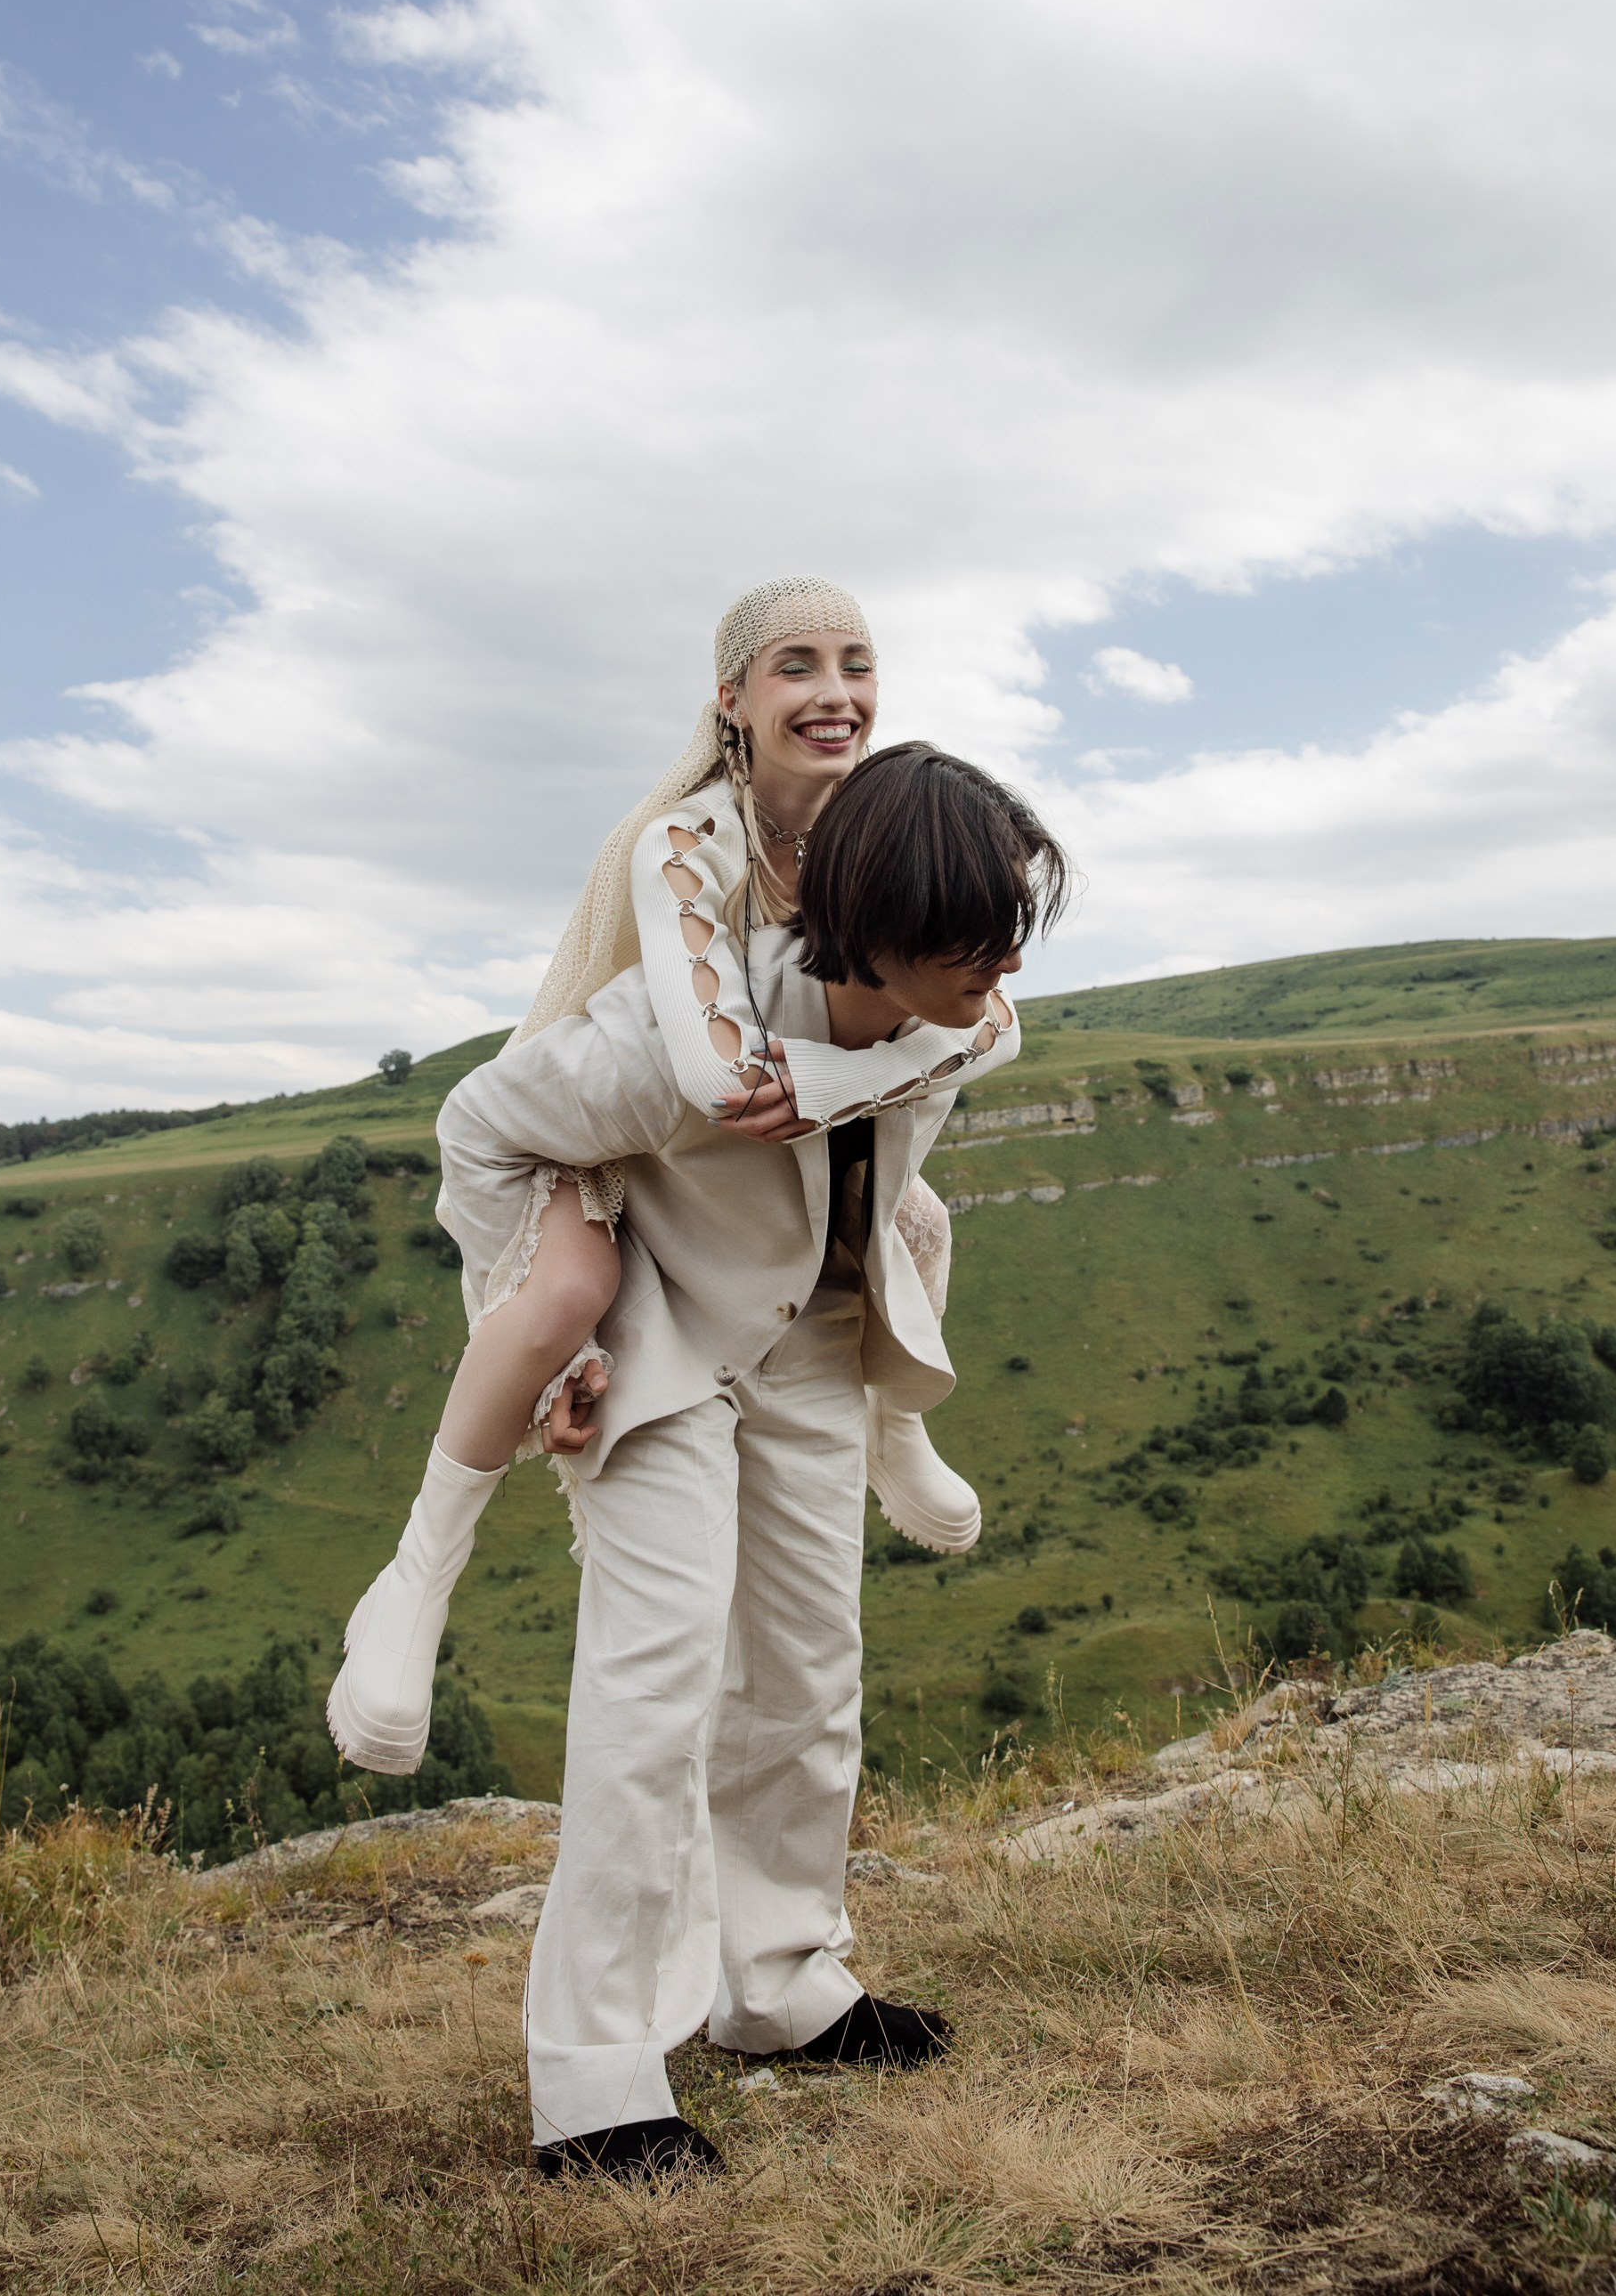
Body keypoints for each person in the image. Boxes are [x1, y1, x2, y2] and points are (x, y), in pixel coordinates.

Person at [434, 737, 1067, 2178]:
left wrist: (856, 1075)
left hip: (811, 1339)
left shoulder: (963, 1009)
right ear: (874, 924)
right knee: (652, 1691)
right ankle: (594, 2080)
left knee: (805, 1668)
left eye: (1015, 920)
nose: (1006, 960)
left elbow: (977, 1036)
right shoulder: (677, 1039)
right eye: (978, 932)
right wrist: (539, 1331)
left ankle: (782, 1984)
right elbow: (477, 1126)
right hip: (660, 1348)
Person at [329, 579, 994, 1781]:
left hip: (765, 1189)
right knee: (565, 1296)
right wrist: (892, 1053)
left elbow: (989, 1014)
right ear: (732, 699)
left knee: (912, 1225)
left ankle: (892, 1426)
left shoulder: (879, 832)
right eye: (797, 665)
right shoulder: (688, 841)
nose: (838, 693)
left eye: (858, 662)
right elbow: (723, 1075)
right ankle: (418, 1575)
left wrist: (858, 1077)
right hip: (605, 1133)